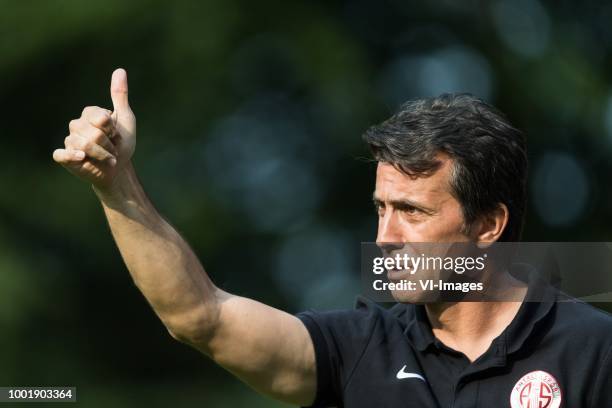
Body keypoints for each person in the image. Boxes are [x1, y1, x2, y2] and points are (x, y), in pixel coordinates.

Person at [53, 69, 612, 407]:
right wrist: (116, 185)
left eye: (412, 212)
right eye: (381, 209)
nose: (385, 238)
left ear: (489, 225)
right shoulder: (361, 347)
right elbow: (201, 318)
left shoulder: (593, 349)